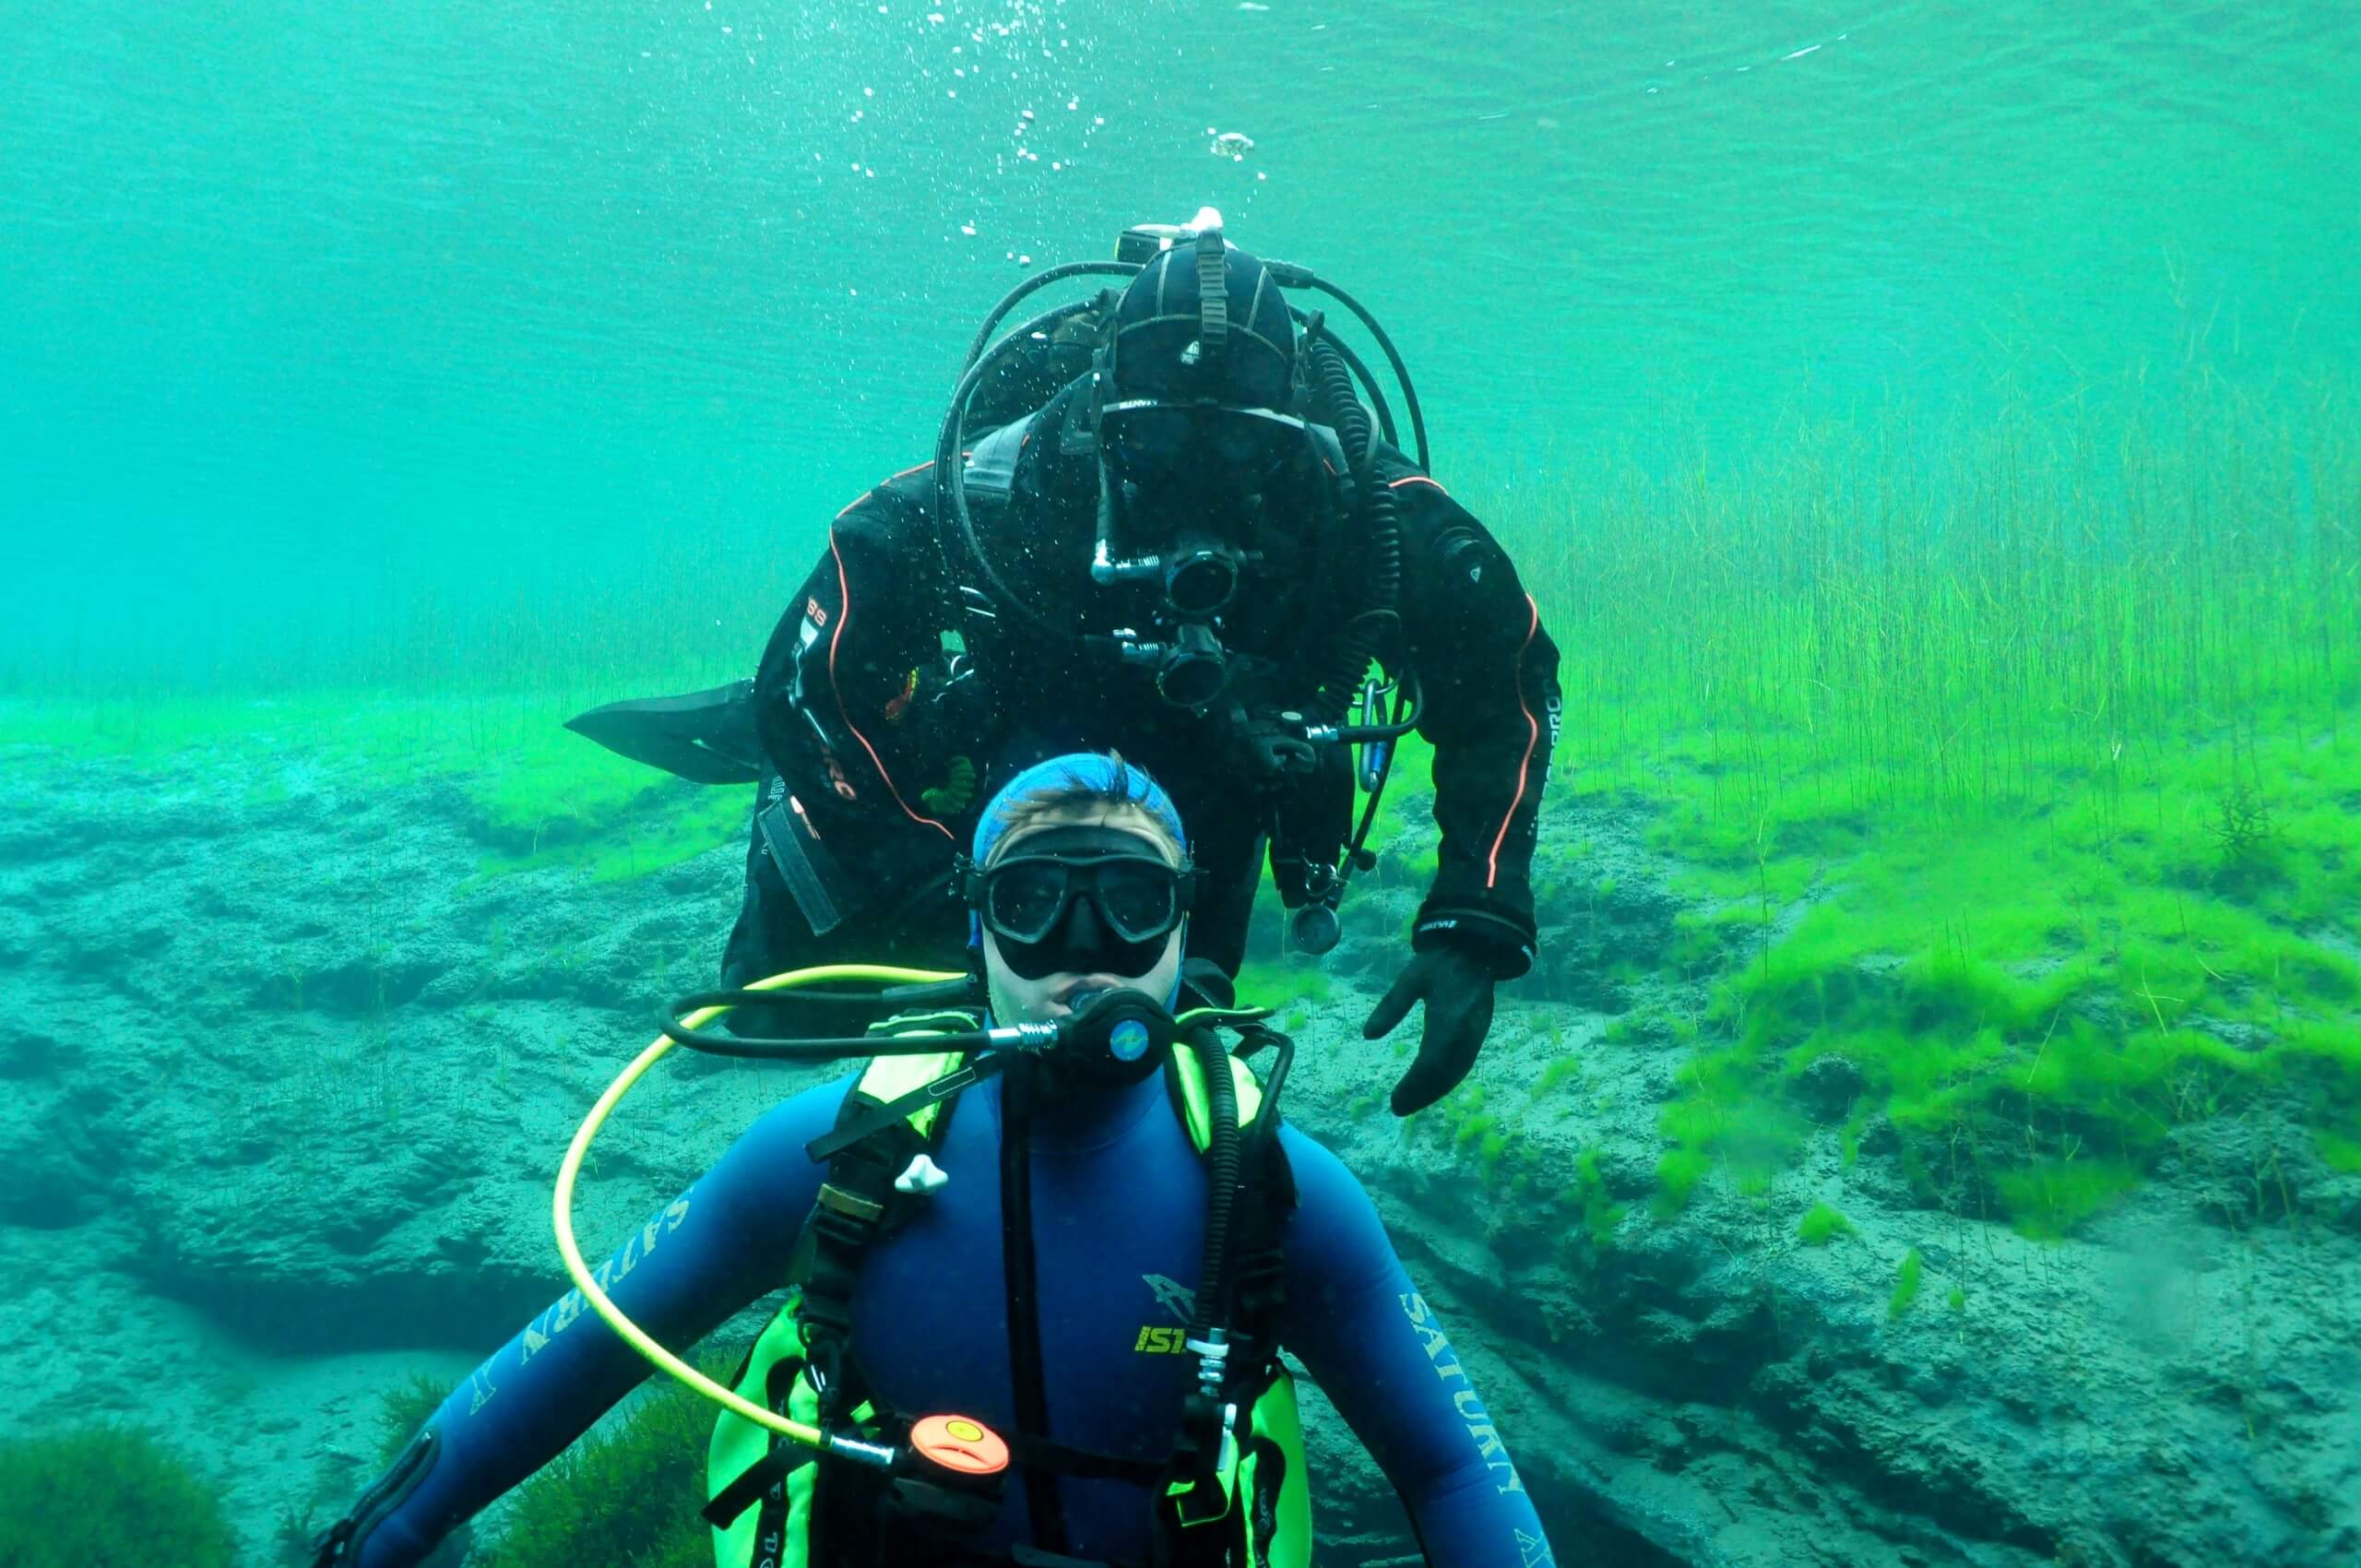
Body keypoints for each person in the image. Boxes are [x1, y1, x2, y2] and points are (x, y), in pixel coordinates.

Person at [313, 754, 1558, 1568]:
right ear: (977, 929)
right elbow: (586, 1339)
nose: (1086, 949)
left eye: (1130, 900)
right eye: (1032, 901)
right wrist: (393, 1523)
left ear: (1186, 930)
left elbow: (1452, 1467)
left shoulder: (1276, 1188)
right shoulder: (838, 1151)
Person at [696, 211, 1563, 1118]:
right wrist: (912, 861)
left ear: (1292, 427)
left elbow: (1503, 678)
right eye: (1153, 438)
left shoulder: (1353, 502)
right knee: (787, 1024)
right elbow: (815, 664)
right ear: (1101, 412)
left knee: (1167, 1056)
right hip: (1011, 746)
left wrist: (1477, 912)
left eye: (1239, 444)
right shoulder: (1018, 477)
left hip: (1217, 777)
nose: (1197, 471)